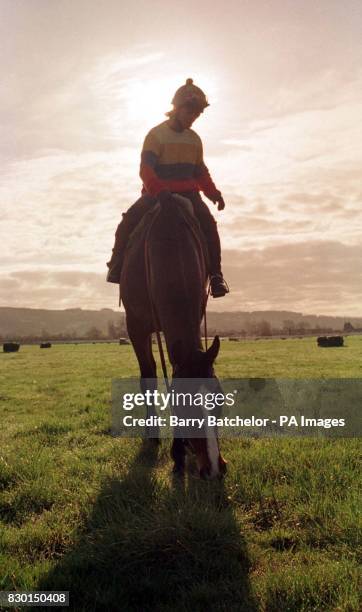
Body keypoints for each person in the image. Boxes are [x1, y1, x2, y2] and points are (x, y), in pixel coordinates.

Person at [106, 78, 229, 298]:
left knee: (210, 226)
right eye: (190, 112)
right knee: (128, 222)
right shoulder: (155, 135)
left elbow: (200, 171)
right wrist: (159, 190)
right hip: (158, 195)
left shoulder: (195, 140)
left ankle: (216, 276)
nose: (193, 118)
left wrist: (213, 194)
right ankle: (117, 266)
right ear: (177, 108)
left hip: (189, 195)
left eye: (197, 114)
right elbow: (145, 169)